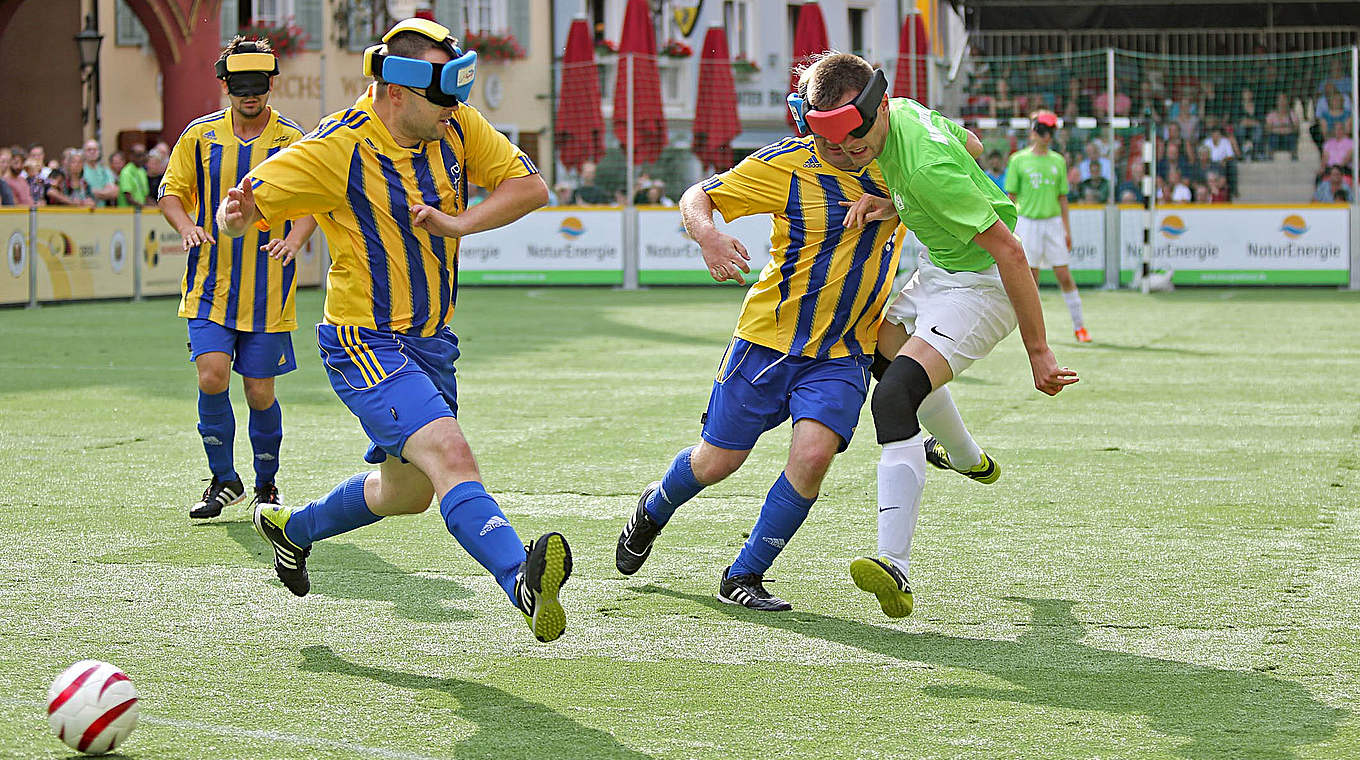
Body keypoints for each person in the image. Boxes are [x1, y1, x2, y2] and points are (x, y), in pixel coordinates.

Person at [216, 19, 571, 643]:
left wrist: (457, 225)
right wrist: (236, 215)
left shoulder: (453, 122)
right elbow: (244, 216)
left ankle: (293, 531)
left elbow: (530, 187)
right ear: (397, 92)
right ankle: (521, 578)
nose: (454, 110)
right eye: (441, 98)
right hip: (364, 341)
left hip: (433, 341)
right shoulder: (335, 148)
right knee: (451, 455)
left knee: (407, 493)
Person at [613, 68, 904, 613]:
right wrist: (707, 234)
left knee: (814, 456)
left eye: (848, 137)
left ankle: (745, 572)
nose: (839, 150)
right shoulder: (785, 167)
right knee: (716, 462)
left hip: (843, 351)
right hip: (766, 343)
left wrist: (896, 204)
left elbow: (969, 151)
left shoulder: (902, 151)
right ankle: (653, 509)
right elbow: (697, 195)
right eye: (824, 139)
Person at [801, 53, 1077, 618]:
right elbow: (972, 144)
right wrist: (892, 201)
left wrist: (1040, 352)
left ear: (875, 108)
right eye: (837, 148)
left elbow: (1011, 252)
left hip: (983, 286)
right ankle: (966, 457)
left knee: (895, 397)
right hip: (942, 269)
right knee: (883, 343)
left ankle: (894, 566)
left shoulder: (927, 168)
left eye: (857, 143)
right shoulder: (901, 112)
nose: (851, 156)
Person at [159, 36, 315, 519]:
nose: (251, 96)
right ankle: (223, 479)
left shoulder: (293, 140)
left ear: (271, 84)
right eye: (240, 87)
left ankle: (267, 485)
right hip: (209, 283)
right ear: (226, 85)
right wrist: (188, 227)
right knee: (212, 376)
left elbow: (317, 198)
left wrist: (295, 240)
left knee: (259, 392)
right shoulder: (199, 136)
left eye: (259, 86)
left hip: (268, 288)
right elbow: (170, 192)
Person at [1006, 111, 1089, 343]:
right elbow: (1010, 198)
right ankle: (1034, 334)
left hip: (1052, 224)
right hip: (1027, 224)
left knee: (1064, 275)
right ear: (1033, 132)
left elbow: (1063, 199)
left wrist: (1067, 229)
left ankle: (1079, 326)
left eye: (1050, 132)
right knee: (1030, 281)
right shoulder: (1018, 160)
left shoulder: (1058, 161)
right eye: (1043, 131)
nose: (1046, 137)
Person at [81, 140, 120, 206]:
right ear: (84, 152)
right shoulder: (80, 170)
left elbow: (114, 192)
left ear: (99, 152)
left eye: (95, 150)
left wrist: (94, 192)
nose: (92, 152)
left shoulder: (105, 170)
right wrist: (104, 193)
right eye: (89, 150)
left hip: (102, 211)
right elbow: (82, 193)